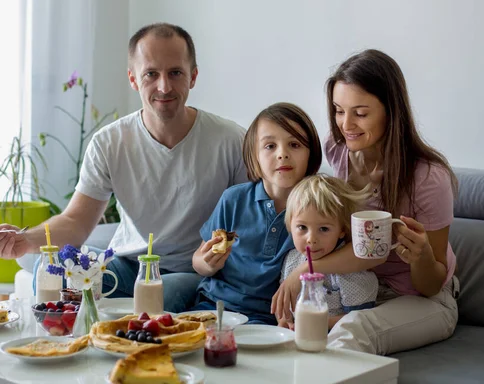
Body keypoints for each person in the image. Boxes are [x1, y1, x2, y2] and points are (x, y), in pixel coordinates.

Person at [0, 23, 248, 312]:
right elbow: (76, 222)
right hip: (126, 266)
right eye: (151, 74)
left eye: (175, 73)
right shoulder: (109, 142)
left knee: (160, 294)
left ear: (192, 77)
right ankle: (69, 349)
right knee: (55, 270)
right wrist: (24, 240)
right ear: (133, 79)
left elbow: (253, 221)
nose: (164, 86)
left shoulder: (231, 140)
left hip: (190, 272)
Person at [271, 49, 460, 355]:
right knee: (300, 328)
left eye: (360, 113)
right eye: (338, 110)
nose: (346, 124)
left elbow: (431, 285)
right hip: (358, 289)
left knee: (352, 331)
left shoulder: (428, 179)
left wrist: (421, 253)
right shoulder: (338, 149)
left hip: (420, 300)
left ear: (391, 111)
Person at [190, 102, 322, 325]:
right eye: (270, 146)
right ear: (254, 156)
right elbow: (197, 260)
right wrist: (208, 263)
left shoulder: (319, 206)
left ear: (311, 153)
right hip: (214, 306)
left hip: (269, 318)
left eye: (294, 144)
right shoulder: (233, 199)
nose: (283, 154)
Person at [278, 174, 378, 330]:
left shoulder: (350, 272)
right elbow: (285, 307)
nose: (311, 239)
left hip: (335, 338)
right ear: (290, 225)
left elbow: (360, 319)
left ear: (342, 230)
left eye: (323, 229)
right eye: (302, 227)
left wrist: (317, 324)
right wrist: (285, 321)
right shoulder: (292, 260)